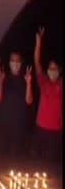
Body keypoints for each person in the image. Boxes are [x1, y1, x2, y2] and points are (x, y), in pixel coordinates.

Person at [0, 52, 33, 156]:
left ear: (21, 62)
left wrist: (29, 82)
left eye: (17, 61)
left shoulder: (26, 78)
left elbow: (29, 101)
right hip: (4, 126)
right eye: (12, 60)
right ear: (9, 62)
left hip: (18, 127)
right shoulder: (4, 76)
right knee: (0, 159)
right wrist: (0, 82)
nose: (15, 63)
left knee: (14, 160)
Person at [33, 27, 62, 161]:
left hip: (55, 132)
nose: (52, 71)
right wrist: (39, 42)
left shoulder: (61, 84)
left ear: (60, 70)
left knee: (50, 166)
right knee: (37, 163)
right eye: (50, 68)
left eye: (55, 68)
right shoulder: (43, 81)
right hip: (40, 129)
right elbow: (37, 63)